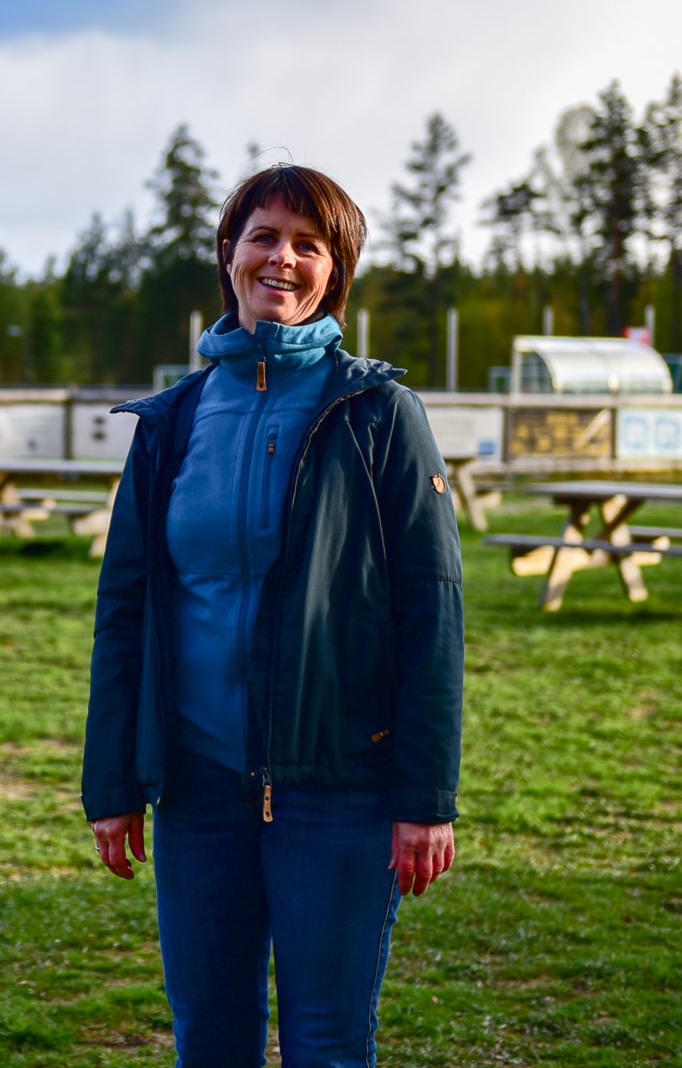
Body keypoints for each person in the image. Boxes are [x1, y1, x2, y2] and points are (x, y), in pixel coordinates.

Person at [81, 163, 464, 1067]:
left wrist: (425, 797)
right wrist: (113, 780)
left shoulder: (379, 413)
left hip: (339, 788)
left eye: (308, 243)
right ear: (229, 253)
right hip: (197, 786)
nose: (281, 258)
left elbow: (433, 614)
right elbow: (124, 611)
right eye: (264, 236)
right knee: (210, 1040)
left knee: (326, 1042)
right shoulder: (172, 421)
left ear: (336, 270)